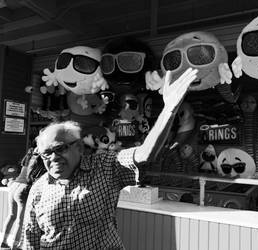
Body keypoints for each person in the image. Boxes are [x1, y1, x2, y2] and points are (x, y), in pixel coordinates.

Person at [22, 68, 198, 249]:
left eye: (59, 149)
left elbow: (144, 154)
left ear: (79, 147)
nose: (53, 158)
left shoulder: (104, 167)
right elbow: (30, 240)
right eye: (46, 154)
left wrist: (169, 109)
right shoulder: (38, 189)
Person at [0, 147, 46, 250]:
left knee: (11, 215)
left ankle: (3, 241)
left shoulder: (28, 157)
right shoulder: (40, 159)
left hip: (14, 186)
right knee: (20, 221)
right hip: (23, 188)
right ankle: (14, 246)